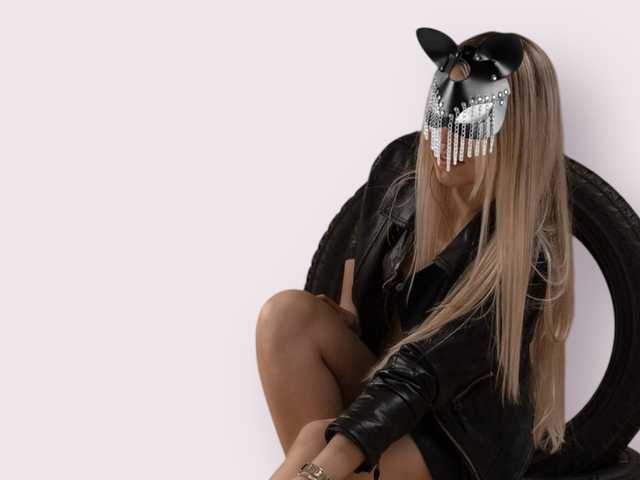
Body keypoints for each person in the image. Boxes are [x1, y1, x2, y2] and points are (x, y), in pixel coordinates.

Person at [257, 28, 573, 480]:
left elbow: (419, 372)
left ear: (515, 134)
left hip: (458, 438)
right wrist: (345, 317)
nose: (443, 137)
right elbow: (357, 273)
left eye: (468, 121)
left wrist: (324, 465)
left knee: (316, 443)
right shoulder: (398, 168)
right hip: (387, 389)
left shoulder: (522, 262)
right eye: (439, 114)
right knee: (286, 316)